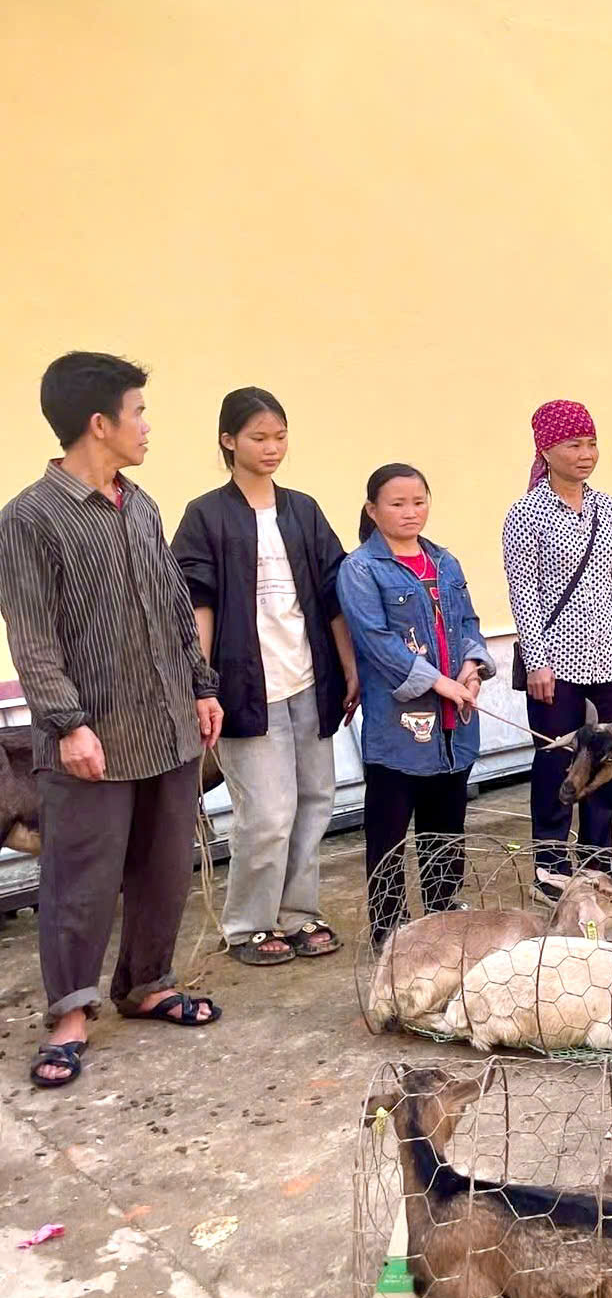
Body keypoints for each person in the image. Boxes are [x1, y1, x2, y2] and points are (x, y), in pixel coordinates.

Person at [0, 352, 224, 1089]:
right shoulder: (30, 519)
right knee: (81, 880)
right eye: (139, 413)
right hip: (91, 736)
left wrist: (201, 685)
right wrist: (66, 724)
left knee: (164, 866)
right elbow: (30, 634)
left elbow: (169, 604)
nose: (147, 427)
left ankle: (146, 983)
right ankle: (70, 1015)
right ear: (99, 424)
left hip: (166, 723)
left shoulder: (143, 505)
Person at [171, 388, 358, 966]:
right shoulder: (206, 515)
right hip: (245, 687)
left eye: (279, 436)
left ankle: (298, 914)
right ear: (228, 441)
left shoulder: (303, 509)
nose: (272, 447)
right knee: (266, 813)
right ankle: (249, 923)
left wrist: (349, 668)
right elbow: (195, 601)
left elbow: (333, 595)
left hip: (309, 678)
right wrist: (202, 682)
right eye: (258, 437)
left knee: (314, 802)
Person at [504, 401, 612, 894]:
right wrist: (537, 660)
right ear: (546, 449)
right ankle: (549, 865)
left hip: (611, 656)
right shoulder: (525, 514)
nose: (585, 454)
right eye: (573, 444)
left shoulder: (605, 508)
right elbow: (523, 593)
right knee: (555, 760)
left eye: (590, 443)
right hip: (554, 663)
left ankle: (599, 860)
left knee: (604, 761)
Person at [338, 464, 494, 947]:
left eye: (419, 502)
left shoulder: (445, 562)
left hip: (455, 725)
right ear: (373, 510)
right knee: (388, 829)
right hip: (399, 725)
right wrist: (441, 684)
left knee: (446, 822)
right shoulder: (360, 569)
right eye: (397, 503)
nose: (410, 512)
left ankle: (443, 912)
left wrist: (472, 665)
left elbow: (469, 620)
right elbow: (377, 643)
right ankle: (388, 926)